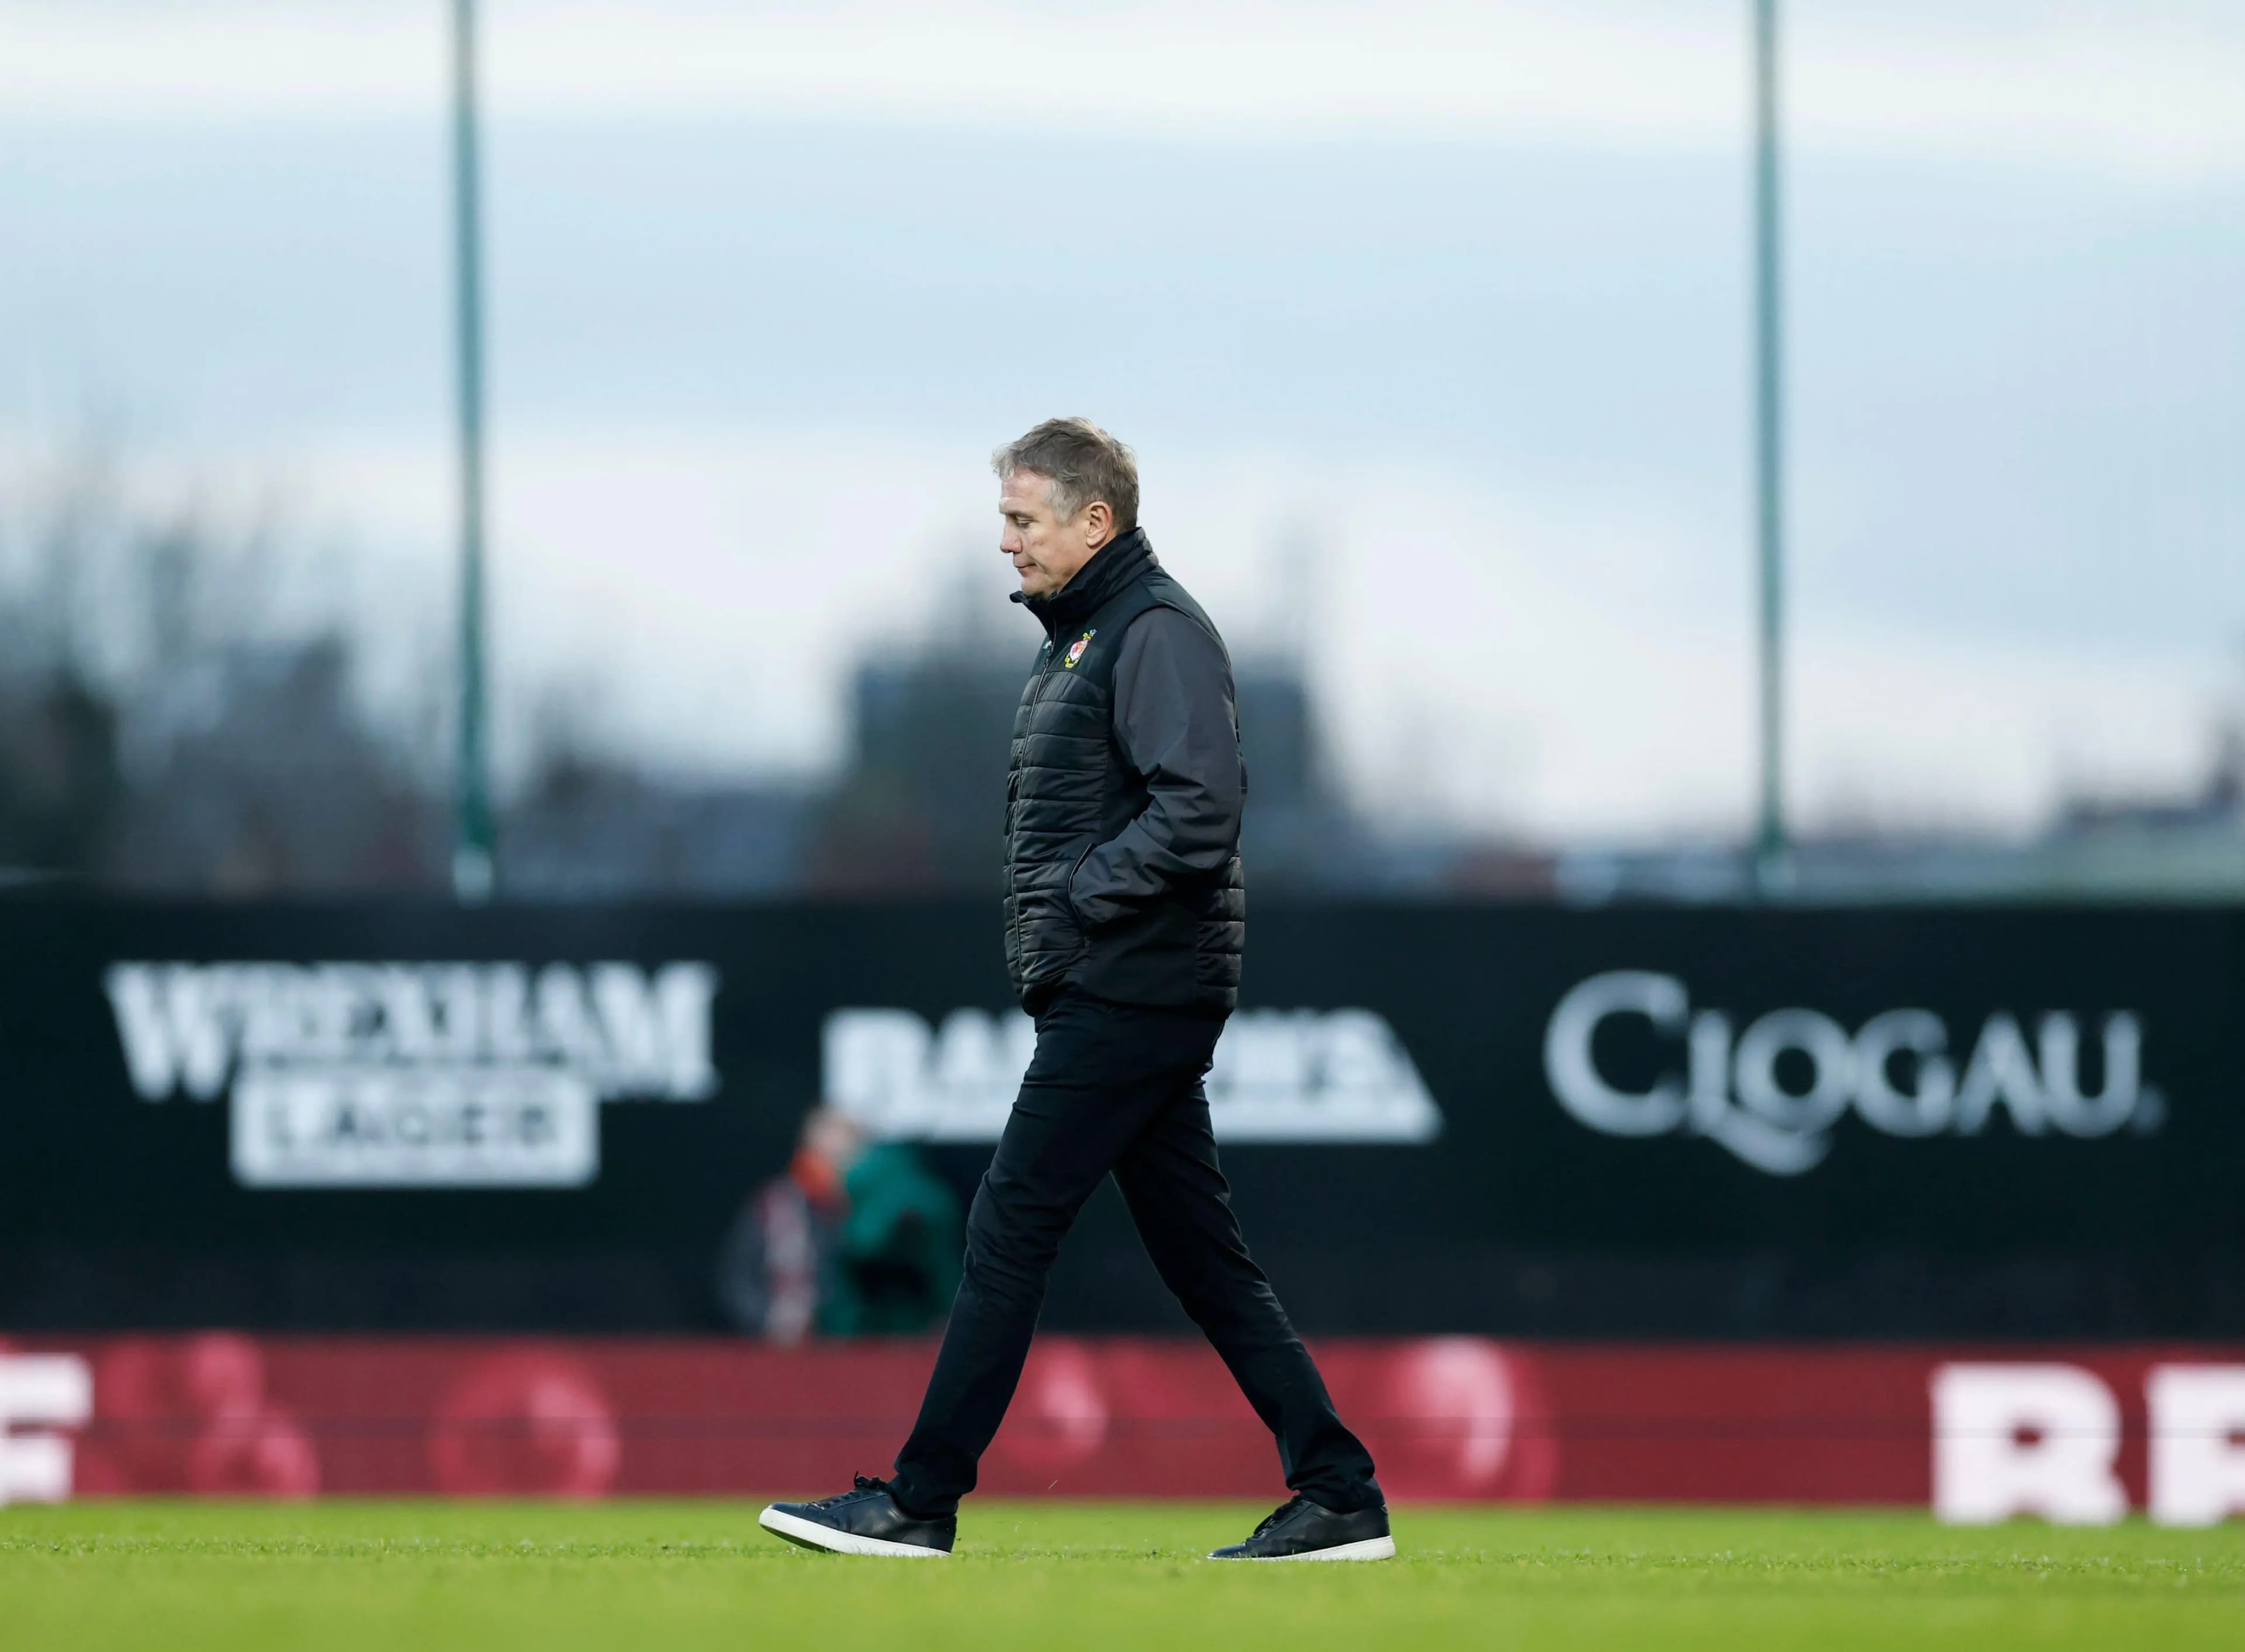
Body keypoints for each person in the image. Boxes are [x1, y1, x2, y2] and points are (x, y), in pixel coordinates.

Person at [760, 419, 1390, 1562]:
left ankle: (920, 1498)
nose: (1004, 543)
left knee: (1009, 1225)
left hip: (1134, 983)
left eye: (1021, 519)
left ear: (1094, 521)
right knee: (1204, 1261)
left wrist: (1089, 897)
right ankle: (1339, 1490)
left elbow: (1199, 809)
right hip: (1126, 978)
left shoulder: (1150, 633)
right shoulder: (1090, 638)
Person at [717, 1107, 962, 1342]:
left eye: (844, 1156)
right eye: (824, 1154)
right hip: (783, 1347)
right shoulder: (774, 1209)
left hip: (861, 1346)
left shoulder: (884, 1210)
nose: (832, 1167)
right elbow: (738, 1280)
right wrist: (770, 1321)